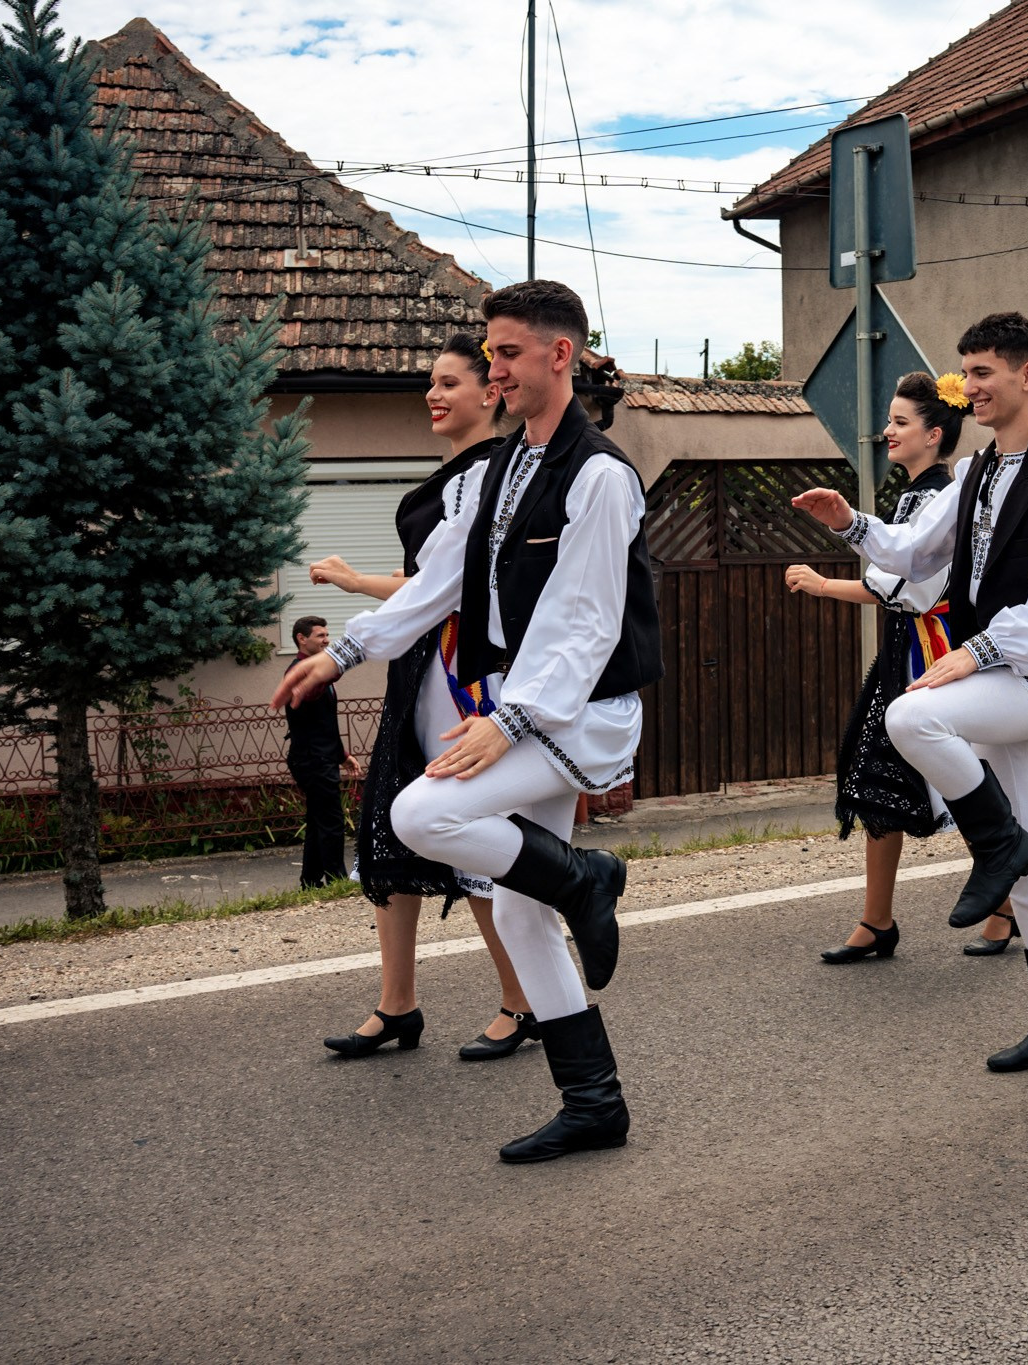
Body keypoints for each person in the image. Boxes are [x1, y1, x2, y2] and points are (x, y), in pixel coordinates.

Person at [276, 279, 658, 1164]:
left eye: (508, 353)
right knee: (520, 915)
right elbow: (437, 580)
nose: (494, 369)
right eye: (489, 354)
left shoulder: (599, 476)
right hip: (525, 707)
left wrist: (513, 720)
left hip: (578, 712)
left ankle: (588, 878)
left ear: (560, 355)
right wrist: (341, 653)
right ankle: (595, 1102)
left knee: (423, 811)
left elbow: (589, 620)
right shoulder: (503, 469)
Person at [792, 312, 1028, 1073]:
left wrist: (975, 652)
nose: (971, 387)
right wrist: (851, 524)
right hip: (1001, 674)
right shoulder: (973, 474)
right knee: (1027, 854)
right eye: (966, 372)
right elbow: (915, 551)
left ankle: (994, 844)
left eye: (985, 372)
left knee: (912, 713)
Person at [308, 334, 537, 1061]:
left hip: (464, 678)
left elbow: (451, 589)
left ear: (489, 392)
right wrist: (361, 589)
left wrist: (353, 595)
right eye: (429, 385)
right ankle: (397, 1004)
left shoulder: (496, 473)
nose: (434, 396)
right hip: (420, 669)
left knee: (463, 833)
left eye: (448, 383)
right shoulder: (457, 476)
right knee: (390, 834)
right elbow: (431, 584)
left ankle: (523, 999)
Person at [785, 371, 1013, 959]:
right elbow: (894, 576)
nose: (887, 431)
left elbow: (905, 583)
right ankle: (877, 920)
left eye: (900, 422)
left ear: (935, 434)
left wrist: (824, 585)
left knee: (955, 776)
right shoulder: (915, 494)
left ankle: (1005, 903)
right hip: (902, 650)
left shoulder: (944, 495)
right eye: (890, 420)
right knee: (877, 780)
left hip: (932, 652)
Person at [282, 617, 361, 888]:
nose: (326, 640)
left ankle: (311, 881)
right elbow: (310, 699)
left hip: (321, 754)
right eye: (320, 636)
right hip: (311, 758)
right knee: (331, 821)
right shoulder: (301, 671)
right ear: (301, 639)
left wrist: (343, 756)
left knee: (319, 820)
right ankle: (337, 879)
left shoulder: (317, 670)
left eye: (328, 635)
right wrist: (339, 665)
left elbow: (325, 722)